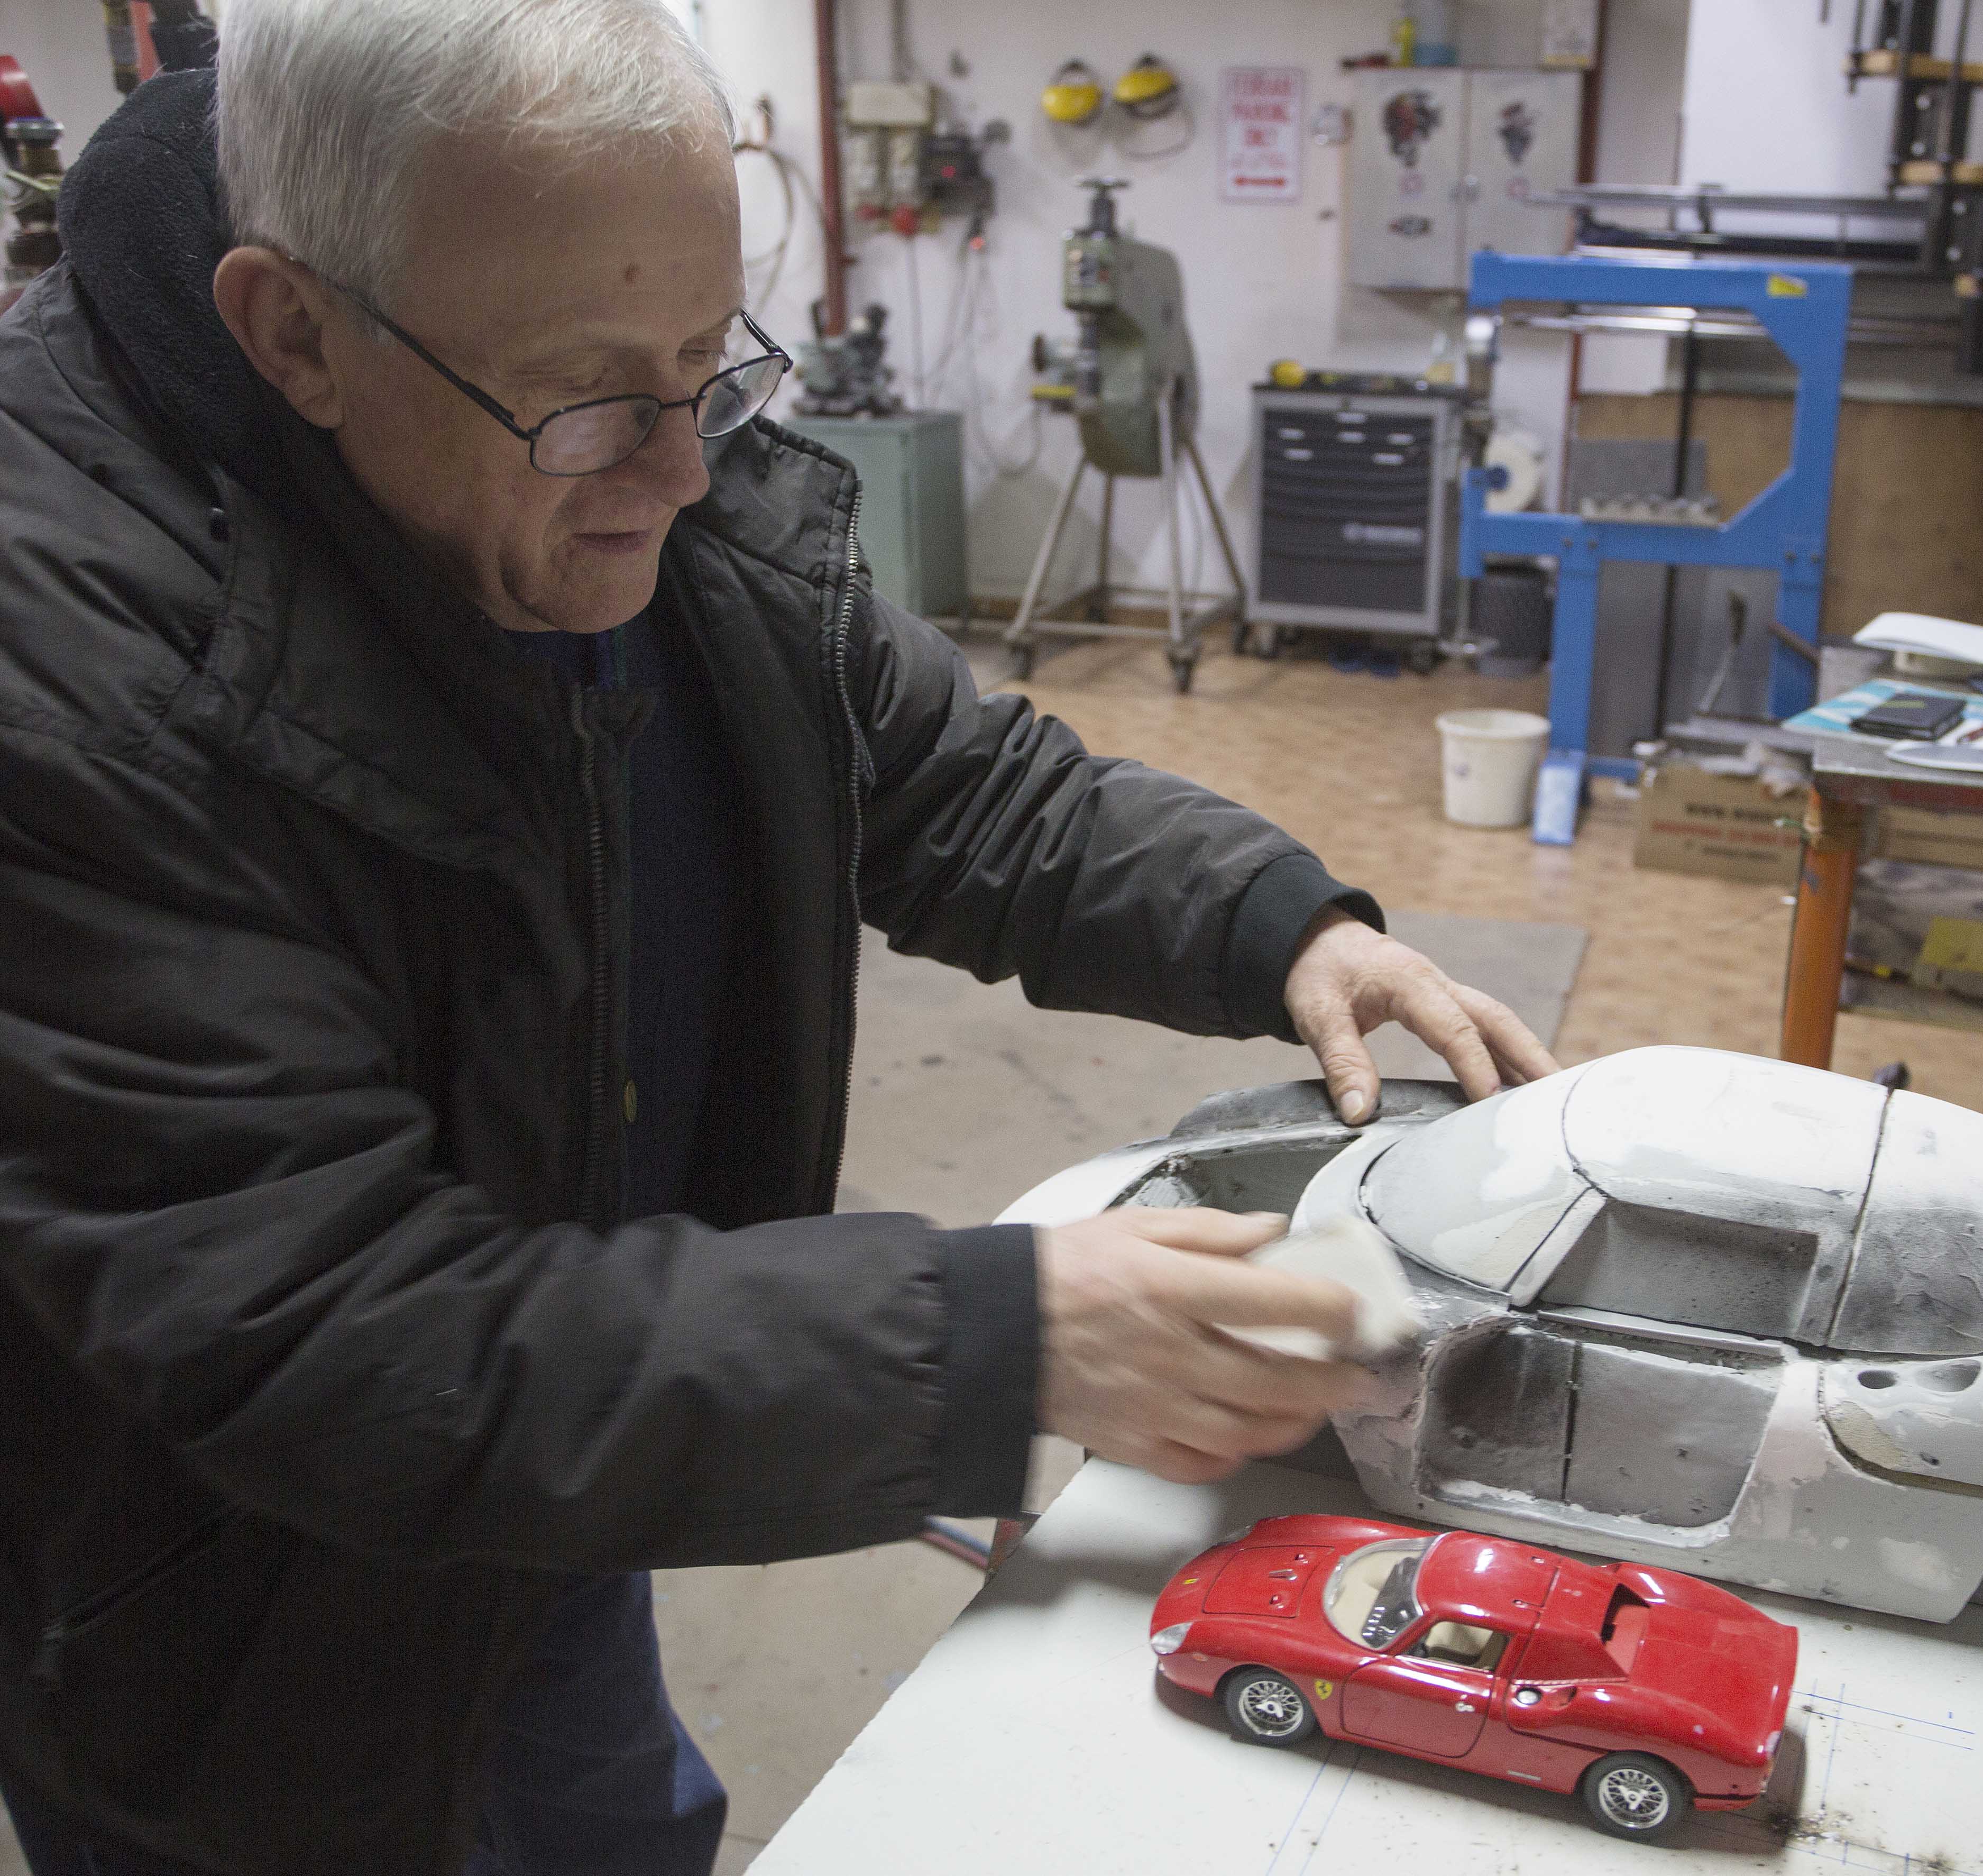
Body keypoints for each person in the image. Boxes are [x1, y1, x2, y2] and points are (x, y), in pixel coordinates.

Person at [0, 4, 1557, 1871]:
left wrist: (1281, 925)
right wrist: (997, 1339)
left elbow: (948, 783)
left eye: (709, 366)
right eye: (594, 400)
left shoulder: (589, 402)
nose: (674, 472)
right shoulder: (71, 671)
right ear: (298, 333)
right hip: (253, 1625)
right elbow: (323, 1323)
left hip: (586, 1482)